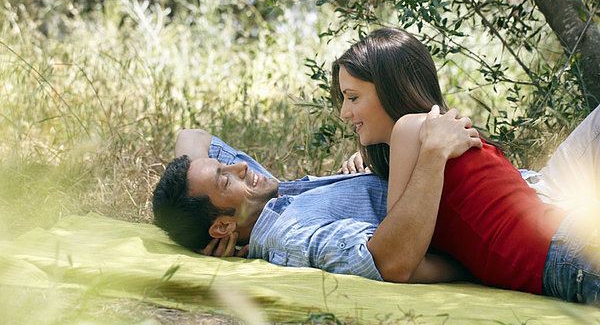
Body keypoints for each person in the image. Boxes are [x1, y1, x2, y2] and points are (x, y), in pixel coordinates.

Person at [329, 27, 600, 304]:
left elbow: (393, 263)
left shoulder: (413, 129)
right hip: (570, 248)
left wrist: (433, 152)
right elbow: (407, 265)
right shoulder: (423, 142)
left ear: (391, 88)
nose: (344, 112)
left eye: (353, 97)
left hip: (571, 250)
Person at [153, 107, 482, 283]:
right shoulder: (290, 235)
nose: (239, 166)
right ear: (223, 227)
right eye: (224, 181)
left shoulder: (259, 197)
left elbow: (191, 136)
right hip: (486, 219)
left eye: (222, 167)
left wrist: (192, 226)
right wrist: (433, 154)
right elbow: (390, 262)